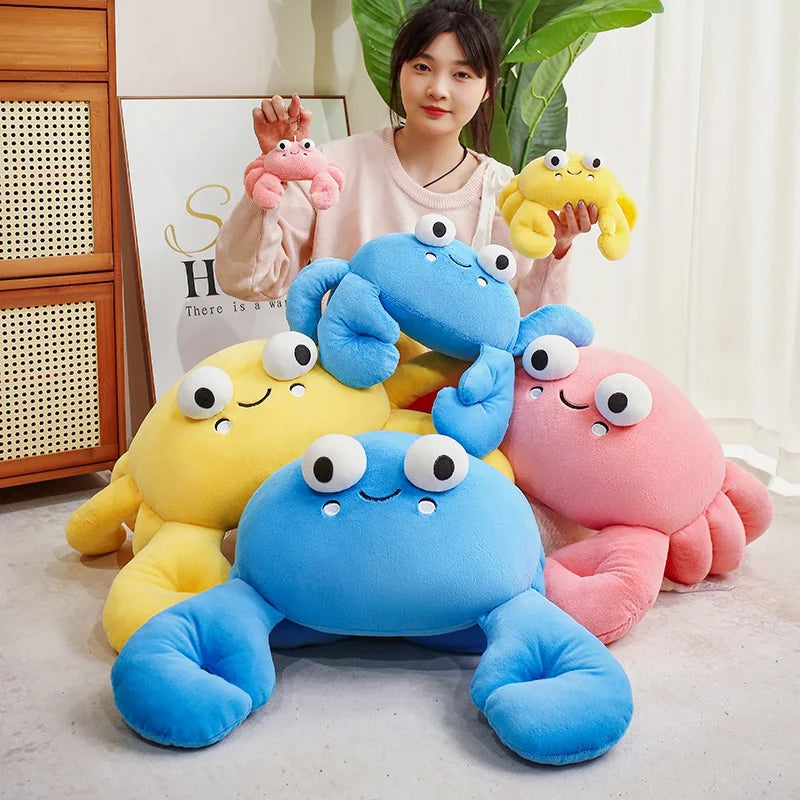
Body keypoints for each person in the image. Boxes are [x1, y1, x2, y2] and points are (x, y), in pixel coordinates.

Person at [214, 0, 596, 323]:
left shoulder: (502, 191)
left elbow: (524, 323)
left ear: (487, 90)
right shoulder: (332, 168)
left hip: (454, 388)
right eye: (422, 67)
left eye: (461, 74)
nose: (438, 89)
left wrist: (558, 247)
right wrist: (272, 174)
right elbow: (249, 281)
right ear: (399, 70)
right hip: (341, 379)